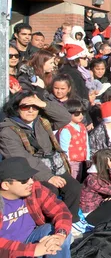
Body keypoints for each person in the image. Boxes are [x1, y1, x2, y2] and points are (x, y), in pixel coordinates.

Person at [0, 91, 82, 229]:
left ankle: (70, 223)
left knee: (74, 188)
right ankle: (48, 226)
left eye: (34, 107)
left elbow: (65, 117)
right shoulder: (7, 131)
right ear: (16, 108)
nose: (31, 110)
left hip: (54, 166)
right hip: (29, 173)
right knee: (50, 192)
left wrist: (43, 104)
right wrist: (48, 177)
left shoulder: (42, 121)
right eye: (25, 106)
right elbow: (22, 158)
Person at [0, 157, 72, 258]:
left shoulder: (34, 189)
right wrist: (34, 250)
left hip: (32, 238)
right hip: (7, 251)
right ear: (6, 185)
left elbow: (61, 210)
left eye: (31, 177)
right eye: (24, 180)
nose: (31, 182)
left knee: (57, 233)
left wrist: (60, 235)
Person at [57, 99, 90, 182]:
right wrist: (67, 164)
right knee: (73, 181)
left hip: (82, 161)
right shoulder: (66, 129)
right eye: (76, 113)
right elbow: (64, 149)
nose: (81, 115)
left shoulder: (82, 126)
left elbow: (86, 144)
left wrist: (88, 158)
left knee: (80, 181)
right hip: (71, 162)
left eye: (82, 112)